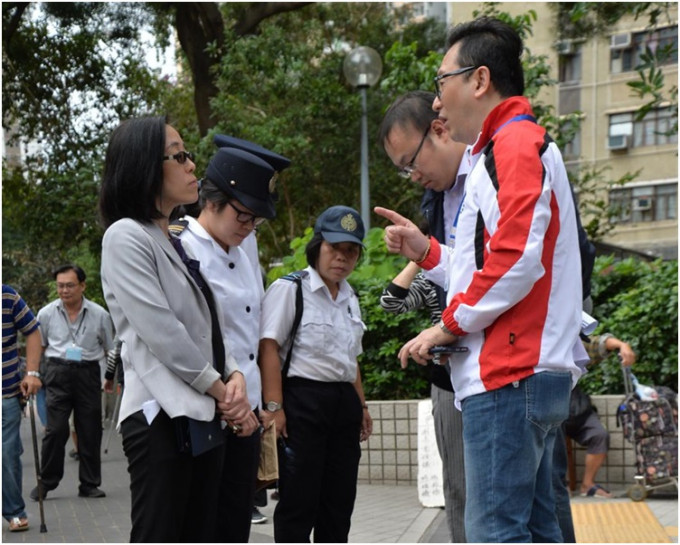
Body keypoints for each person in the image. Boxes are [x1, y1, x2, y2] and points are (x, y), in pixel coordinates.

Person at [375, 16, 582, 542]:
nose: (438, 101)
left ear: (480, 80)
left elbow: (514, 261)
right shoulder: (508, 148)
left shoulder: (510, 145)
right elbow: (487, 266)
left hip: (508, 374)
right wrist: (426, 252)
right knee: (537, 528)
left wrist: (445, 325)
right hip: (526, 371)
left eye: (443, 81)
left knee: (495, 531)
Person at [98, 115, 256, 542]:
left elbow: (211, 322)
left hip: (200, 416)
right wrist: (226, 394)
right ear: (145, 166)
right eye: (180, 155)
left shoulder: (169, 236)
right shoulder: (125, 237)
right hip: (159, 419)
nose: (192, 166)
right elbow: (163, 332)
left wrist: (236, 373)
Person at [176, 143, 287, 541]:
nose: (249, 226)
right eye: (243, 215)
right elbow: (185, 335)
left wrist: (267, 404)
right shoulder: (179, 248)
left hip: (248, 411)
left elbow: (255, 331)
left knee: (236, 522)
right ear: (211, 200)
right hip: (207, 407)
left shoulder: (246, 243)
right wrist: (227, 394)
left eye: (256, 220)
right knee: (201, 523)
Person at [378, 90, 468, 542]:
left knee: (502, 501)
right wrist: (422, 255)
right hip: (448, 380)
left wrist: (443, 329)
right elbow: (391, 303)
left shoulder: (490, 174)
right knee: (460, 489)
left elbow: (496, 279)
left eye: (411, 162)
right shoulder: (437, 200)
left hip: (492, 371)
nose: (412, 176)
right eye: (403, 169)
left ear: (440, 128)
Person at [259, 205, 373, 543]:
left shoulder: (350, 298)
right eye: (334, 248)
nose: (342, 257)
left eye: (350, 251)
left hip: (343, 406)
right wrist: (275, 409)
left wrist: (362, 407)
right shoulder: (290, 289)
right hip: (302, 404)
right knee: (299, 500)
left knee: (339, 502)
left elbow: (350, 359)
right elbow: (268, 348)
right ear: (317, 247)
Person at [30, 264, 114, 502]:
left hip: (88, 374)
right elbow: (40, 346)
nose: (64, 290)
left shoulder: (100, 314)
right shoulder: (46, 314)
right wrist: (34, 374)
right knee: (55, 430)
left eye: (69, 285)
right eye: (60, 286)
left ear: (82, 286)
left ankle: (89, 484)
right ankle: (46, 481)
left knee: (90, 430)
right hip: (57, 373)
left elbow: (110, 349)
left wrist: (110, 378)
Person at [569, 333, 636, 498]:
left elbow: (597, 343)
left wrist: (622, 344)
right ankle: (554, 490)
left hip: (576, 405)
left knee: (599, 435)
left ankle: (588, 484)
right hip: (547, 407)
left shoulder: (573, 340)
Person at [2, 285, 42, 532]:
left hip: (6, 391)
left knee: (7, 453)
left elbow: (33, 330)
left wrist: (32, 373)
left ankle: (14, 511)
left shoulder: (6, 295)